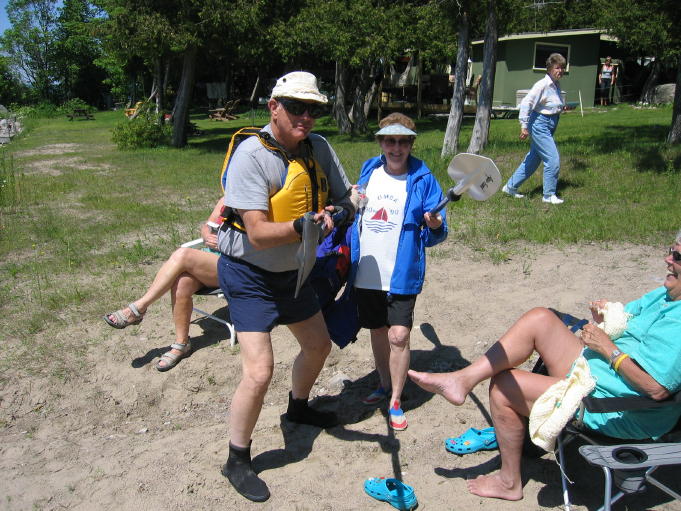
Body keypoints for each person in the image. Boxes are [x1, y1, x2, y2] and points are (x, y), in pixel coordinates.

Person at [407, 229, 681, 502]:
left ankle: (509, 482)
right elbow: (627, 323)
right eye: (671, 249)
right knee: (541, 318)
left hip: (616, 405)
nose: (668, 259)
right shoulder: (665, 295)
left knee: (504, 386)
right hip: (597, 374)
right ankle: (463, 380)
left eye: (677, 256)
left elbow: (655, 389)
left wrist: (608, 349)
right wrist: (607, 317)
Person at [216, 71, 357, 502]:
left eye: (313, 108)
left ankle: (298, 409)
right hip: (249, 274)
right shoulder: (251, 157)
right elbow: (256, 233)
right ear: (273, 107)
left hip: (294, 272)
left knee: (318, 346)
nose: (306, 117)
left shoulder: (319, 148)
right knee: (259, 372)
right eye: (297, 107)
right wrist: (303, 225)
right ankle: (236, 459)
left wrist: (340, 212)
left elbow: (347, 197)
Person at [351, 113, 447, 431]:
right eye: (389, 140)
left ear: (410, 144)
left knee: (399, 334)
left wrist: (434, 224)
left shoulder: (422, 177)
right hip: (367, 268)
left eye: (403, 141)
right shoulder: (369, 168)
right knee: (378, 330)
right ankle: (382, 383)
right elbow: (356, 204)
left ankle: (395, 398)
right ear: (381, 143)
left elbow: (437, 228)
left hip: (402, 270)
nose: (396, 147)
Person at [103, 198, 223, 371]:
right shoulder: (227, 198)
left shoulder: (259, 203)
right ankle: (182, 344)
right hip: (209, 261)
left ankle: (138, 308)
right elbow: (208, 225)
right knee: (182, 284)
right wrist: (205, 234)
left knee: (183, 255)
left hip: (235, 266)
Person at [502, 53, 567, 205]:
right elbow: (526, 103)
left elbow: (550, 103)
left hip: (550, 124)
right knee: (552, 159)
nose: (561, 71)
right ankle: (548, 195)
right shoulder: (542, 85)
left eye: (563, 68)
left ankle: (510, 187)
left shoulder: (556, 85)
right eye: (558, 68)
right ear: (550, 69)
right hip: (540, 125)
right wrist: (524, 126)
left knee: (532, 160)